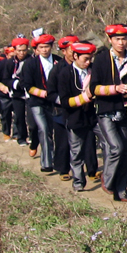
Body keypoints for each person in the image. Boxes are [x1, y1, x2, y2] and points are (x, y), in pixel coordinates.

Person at [92, 23, 127, 203]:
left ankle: (121, 190)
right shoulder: (101, 59)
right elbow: (94, 88)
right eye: (117, 39)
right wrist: (115, 89)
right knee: (116, 147)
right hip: (106, 111)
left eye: (124, 38)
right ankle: (108, 181)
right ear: (110, 40)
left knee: (125, 152)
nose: (121, 42)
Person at [48, 41, 98, 192]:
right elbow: (63, 101)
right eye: (85, 59)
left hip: (94, 117)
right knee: (76, 152)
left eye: (90, 59)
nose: (88, 62)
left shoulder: (94, 71)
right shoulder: (64, 73)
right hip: (74, 118)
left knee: (108, 146)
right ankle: (78, 182)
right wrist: (85, 97)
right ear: (75, 56)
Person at [24, 33, 65, 174]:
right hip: (37, 102)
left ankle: (59, 160)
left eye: (47, 46)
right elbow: (27, 85)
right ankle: (46, 162)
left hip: (55, 103)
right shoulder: (30, 63)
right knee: (44, 129)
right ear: (37, 49)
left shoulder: (59, 61)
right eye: (41, 47)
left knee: (56, 131)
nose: (44, 50)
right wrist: (42, 93)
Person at [47, 35, 81, 182]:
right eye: (70, 50)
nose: (74, 53)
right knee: (62, 141)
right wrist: (64, 102)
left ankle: (89, 169)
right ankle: (63, 168)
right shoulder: (57, 69)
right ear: (64, 52)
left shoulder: (82, 65)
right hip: (60, 110)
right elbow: (51, 93)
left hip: (79, 108)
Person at [0, 37, 31, 146]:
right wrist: (15, 84)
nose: (21, 53)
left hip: (30, 93)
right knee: (19, 116)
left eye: (24, 50)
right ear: (15, 50)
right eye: (19, 50)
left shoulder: (32, 60)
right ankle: (21, 137)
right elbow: (5, 78)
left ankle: (33, 136)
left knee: (31, 118)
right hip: (16, 93)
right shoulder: (10, 63)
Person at [0, 46, 16, 141]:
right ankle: (6, 133)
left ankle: (17, 133)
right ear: (6, 55)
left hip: (16, 93)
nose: (13, 58)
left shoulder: (18, 63)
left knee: (18, 114)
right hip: (5, 94)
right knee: (6, 114)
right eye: (11, 56)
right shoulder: (0, 65)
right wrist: (2, 87)